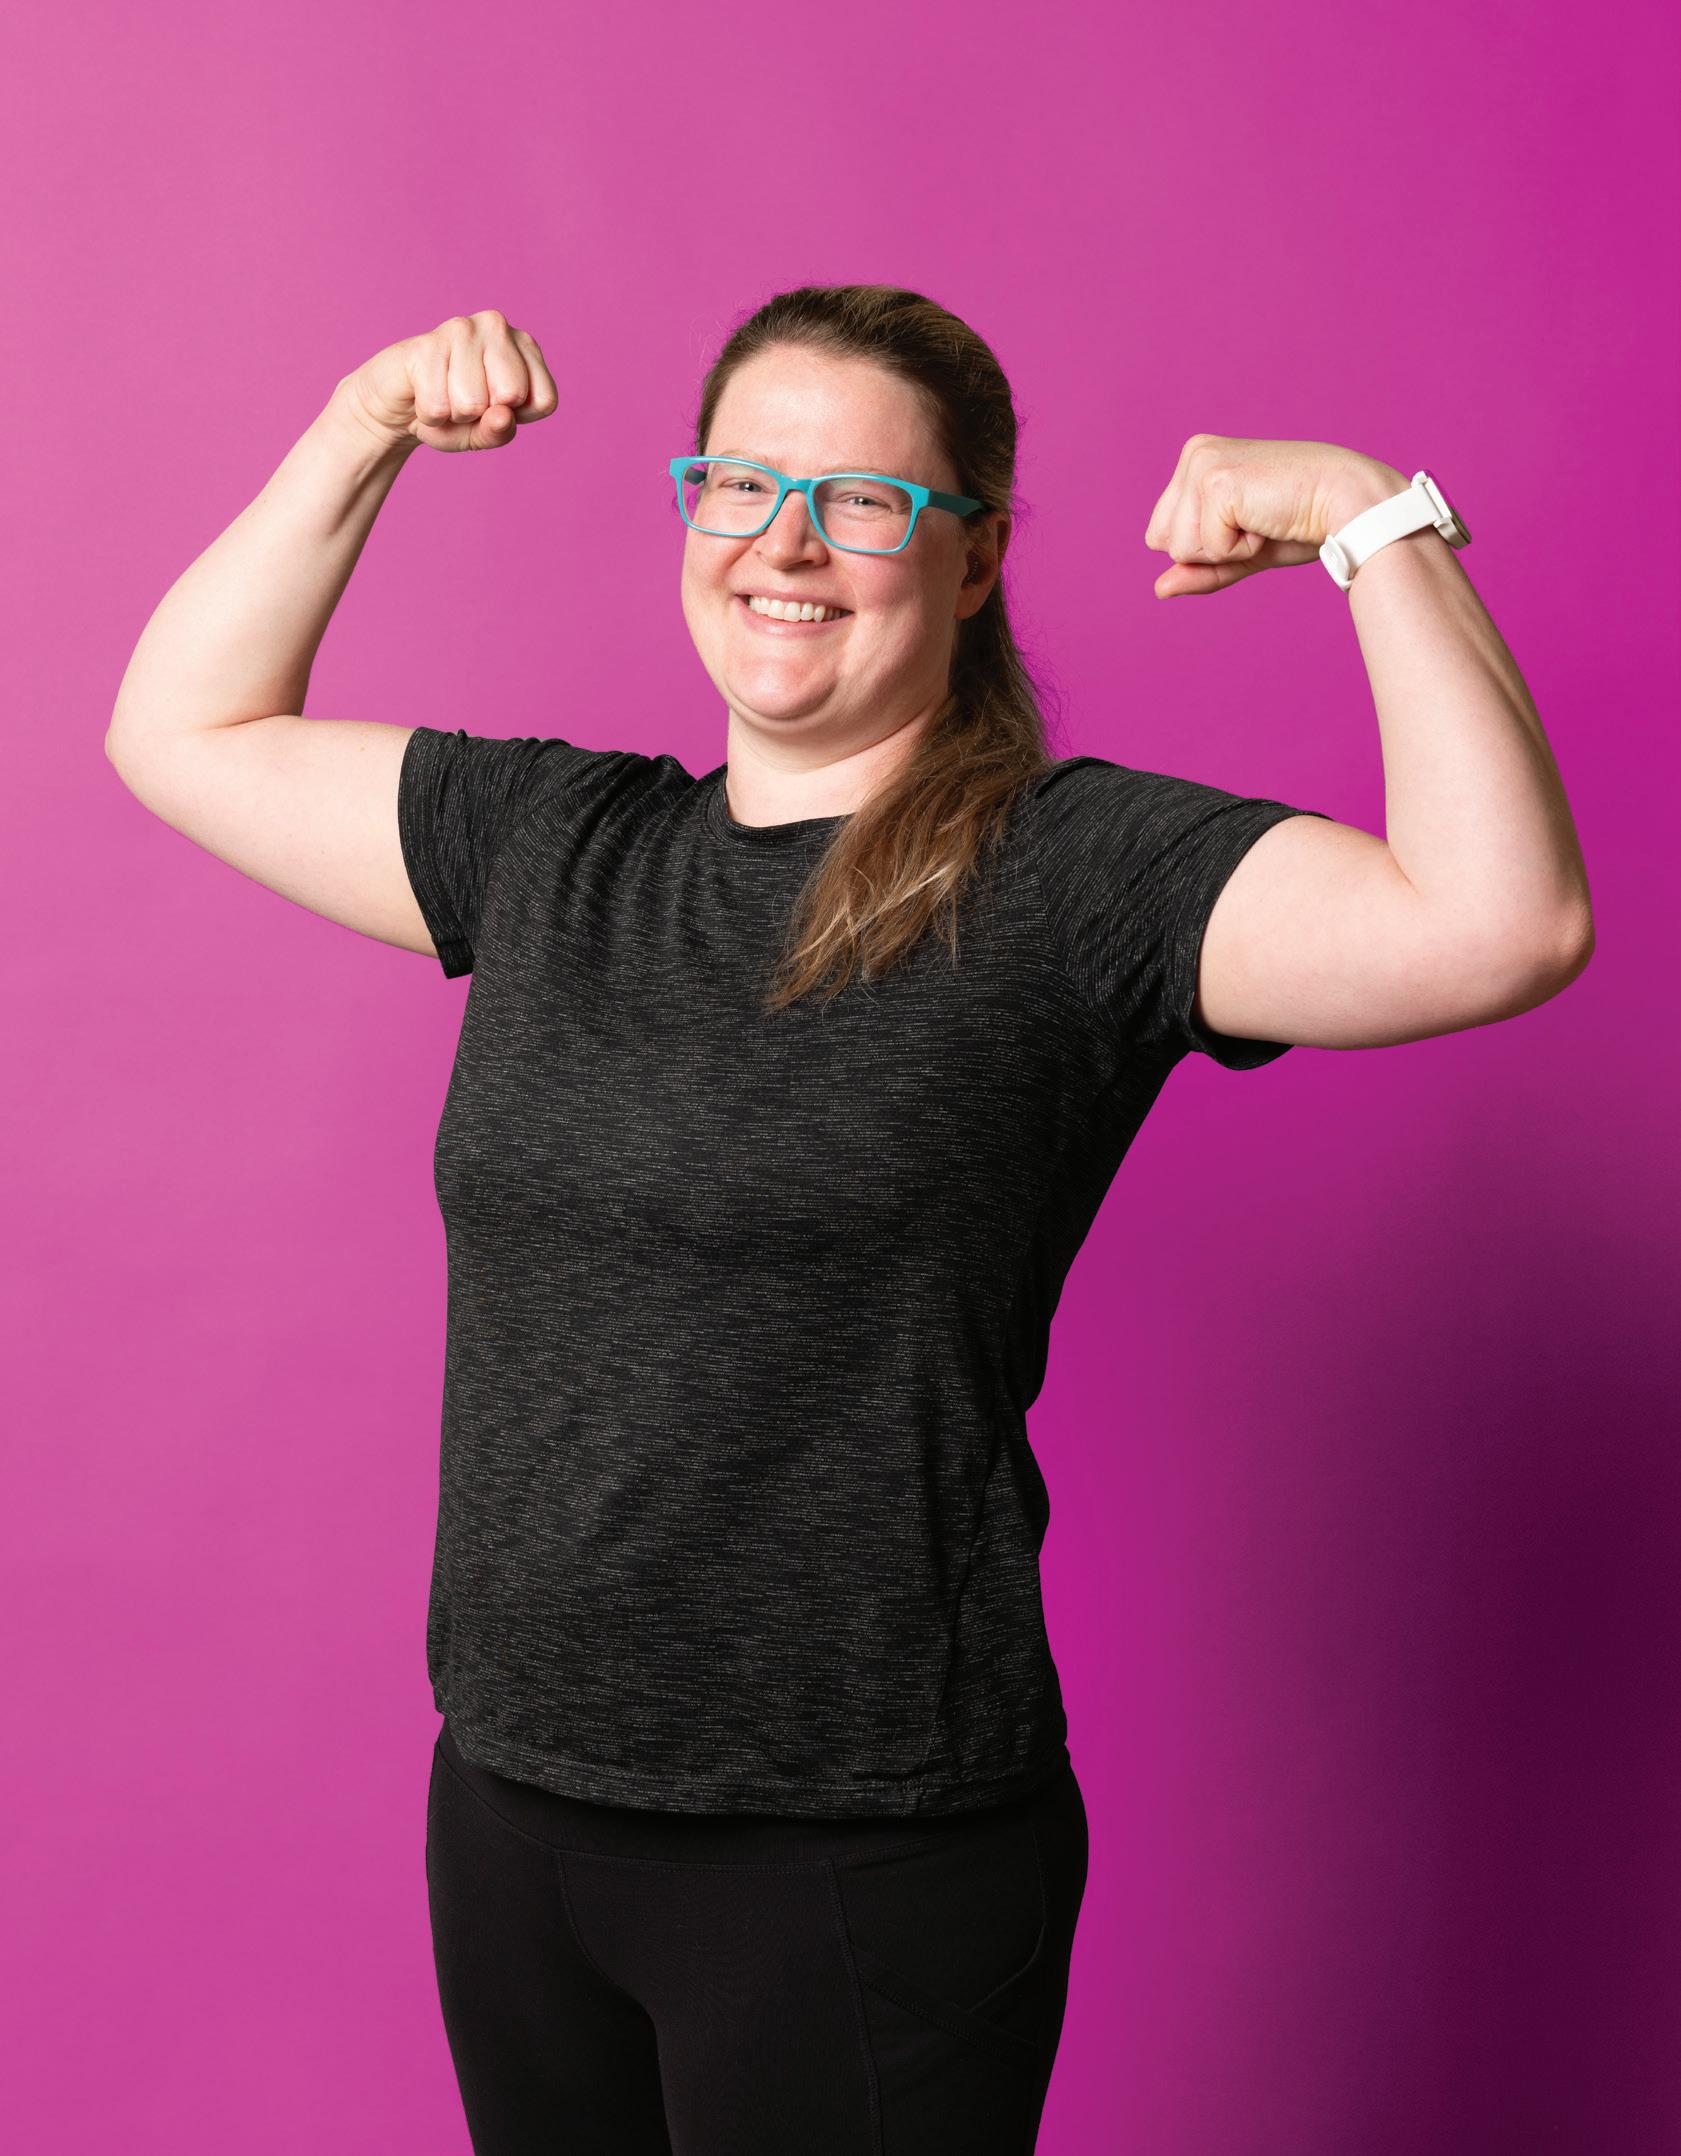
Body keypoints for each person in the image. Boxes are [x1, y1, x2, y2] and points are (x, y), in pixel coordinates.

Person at [105, 284, 1593, 2155]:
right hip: (513, 1809)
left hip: (856, 1856)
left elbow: (1501, 922)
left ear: (975, 561)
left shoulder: (1073, 878)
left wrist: (1372, 523)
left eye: (863, 502)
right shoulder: (553, 846)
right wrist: (359, 429)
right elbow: (183, 726)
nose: (784, 544)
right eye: (739, 485)